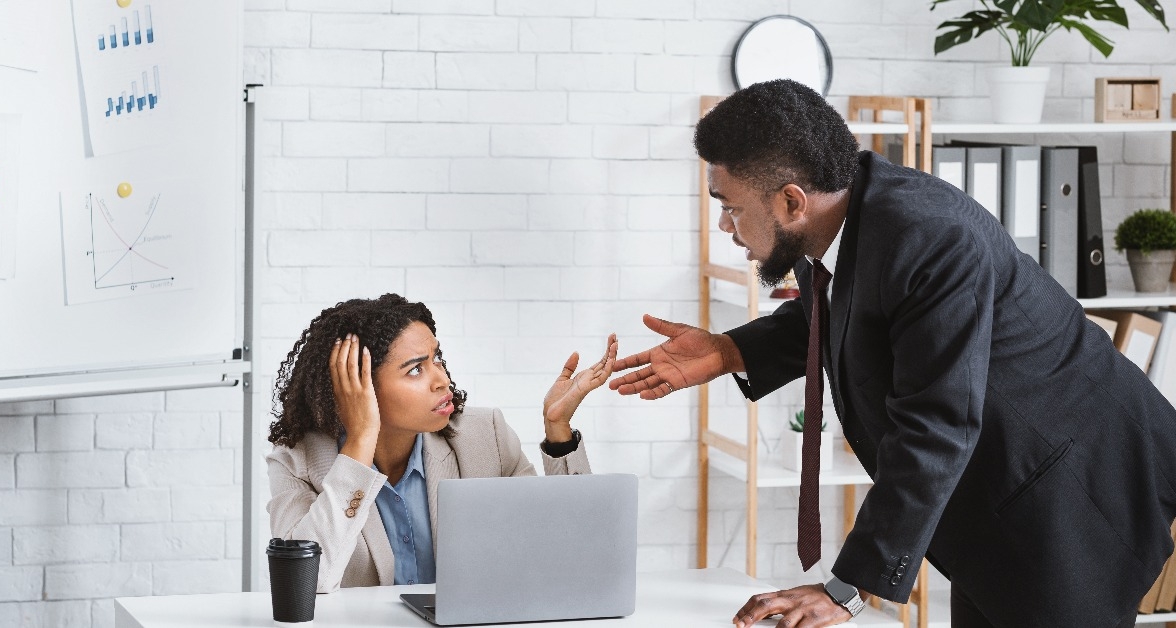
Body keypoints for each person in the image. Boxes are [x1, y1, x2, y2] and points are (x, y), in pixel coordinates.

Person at [609, 79, 1176, 628]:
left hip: (1072, 488)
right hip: (1002, 492)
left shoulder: (930, 237)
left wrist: (847, 589)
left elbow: (937, 422)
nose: (724, 225)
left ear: (790, 201)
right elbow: (841, 312)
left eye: (729, 206)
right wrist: (728, 350)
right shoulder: (843, 215)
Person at [266, 294, 616, 592]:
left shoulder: (486, 437)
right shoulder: (299, 462)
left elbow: (567, 547)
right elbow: (304, 584)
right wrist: (359, 441)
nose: (441, 379)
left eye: (437, 358)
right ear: (359, 387)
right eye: (415, 369)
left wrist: (558, 430)